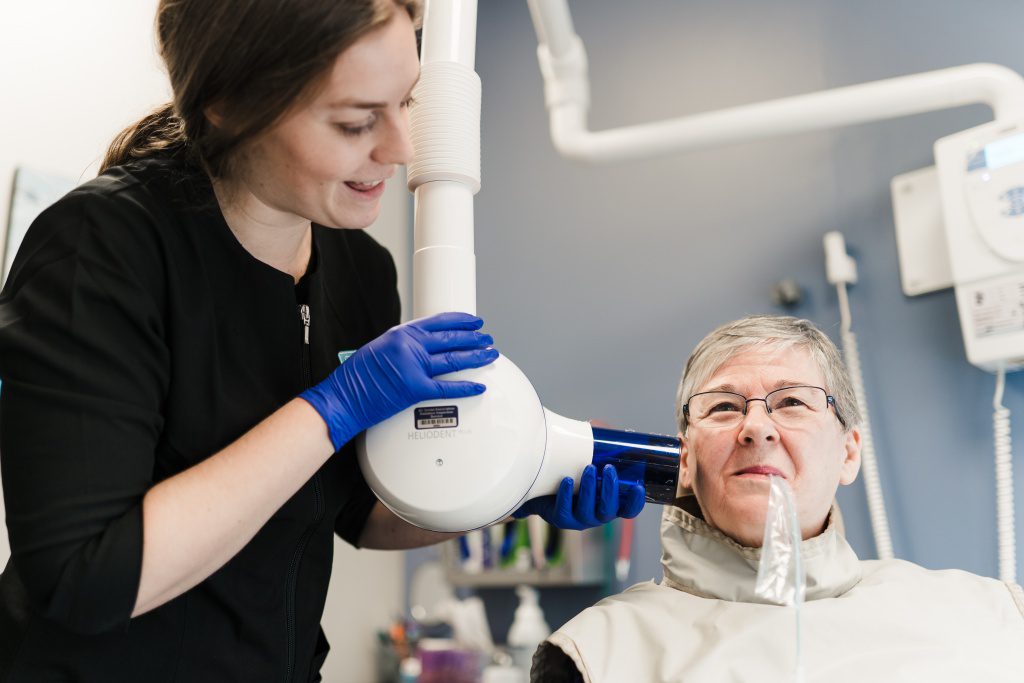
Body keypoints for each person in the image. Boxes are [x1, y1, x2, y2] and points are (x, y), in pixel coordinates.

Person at [0, 2, 643, 681]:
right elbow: (88, 579)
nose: (401, 147)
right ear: (229, 105)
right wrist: (331, 407)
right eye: (356, 121)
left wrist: (507, 490)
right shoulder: (100, 250)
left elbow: (360, 510)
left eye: (407, 102)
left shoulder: (360, 270)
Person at [531, 315, 1024, 683]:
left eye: (792, 402)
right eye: (724, 407)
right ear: (685, 458)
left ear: (849, 452)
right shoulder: (595, 653)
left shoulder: (994, 614)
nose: (756, 428)